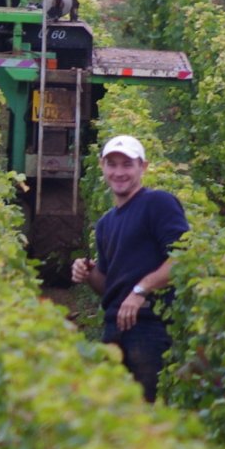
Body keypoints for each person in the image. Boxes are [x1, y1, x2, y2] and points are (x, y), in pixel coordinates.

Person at [70, 135, 190, 403]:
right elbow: (109, 287)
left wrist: (141, 290)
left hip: (150, 328)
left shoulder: (158, 203)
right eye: (112, 164)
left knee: (144, 416)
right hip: (114, 329)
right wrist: (89, 274)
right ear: (102, 166)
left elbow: (183, 257)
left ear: (143, 167)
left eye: (127, 164)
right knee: (110, 414)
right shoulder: (105, 224)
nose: (119, 172)